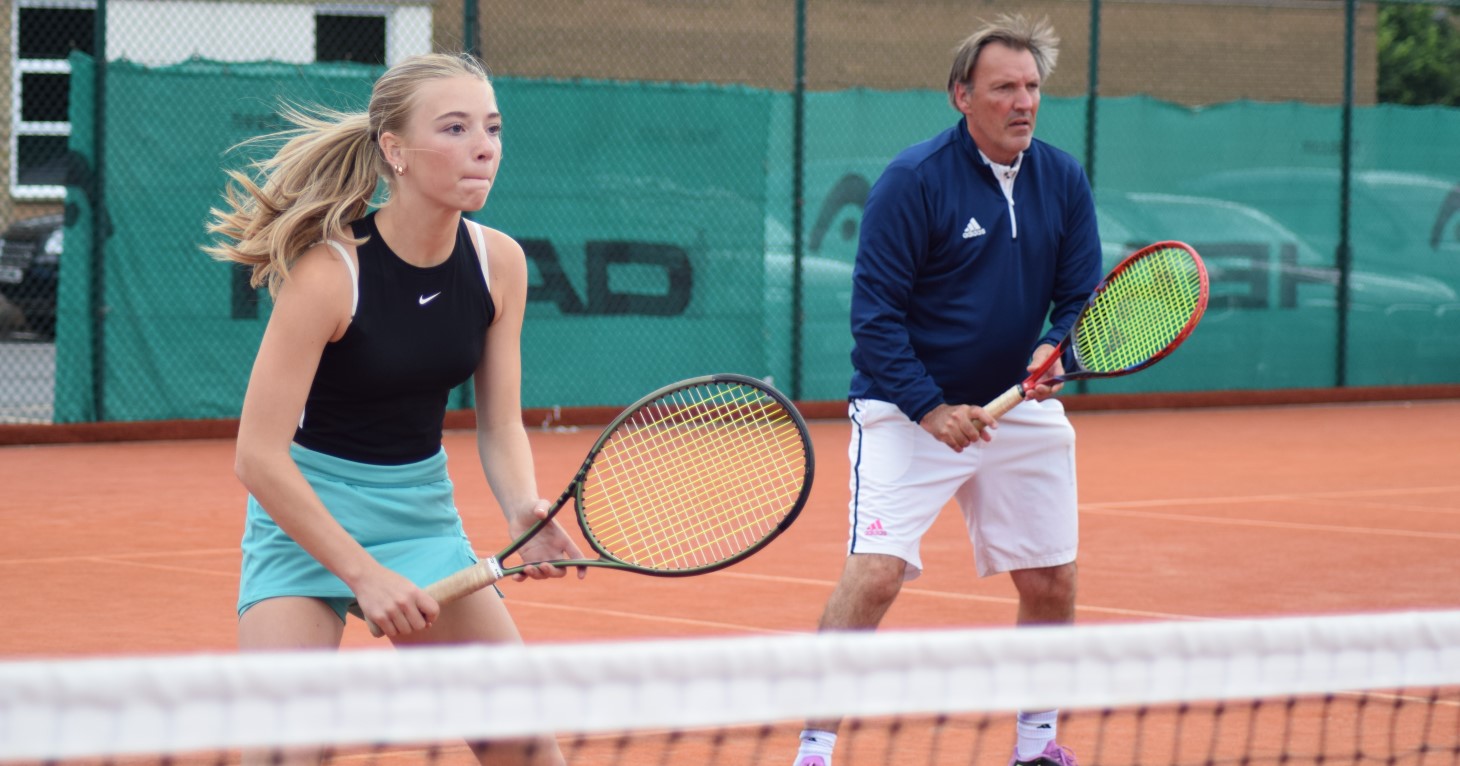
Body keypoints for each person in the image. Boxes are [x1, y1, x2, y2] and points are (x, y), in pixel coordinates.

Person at [206, 52, 585, 766]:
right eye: (454, 128)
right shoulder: (330, 271)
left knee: (528, 752)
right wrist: (362, 573)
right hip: (304, 521)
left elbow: (500, 422)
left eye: (492, 128)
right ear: (395, 151)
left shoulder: (499, 263)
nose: (484, 147)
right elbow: (256, 456)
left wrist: (522, 510)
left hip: (420, 518)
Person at [791, 14, 1101, 766]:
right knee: (875, 576)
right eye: (1004, 89)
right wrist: (929, 407)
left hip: (1017, 407)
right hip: (904, 410)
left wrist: (1056, 349)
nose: (1023, 102)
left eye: (1032, 87)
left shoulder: (1062, 178)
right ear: (962, 96)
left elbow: (1081, 297)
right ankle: (814, 752)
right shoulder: (915, 181)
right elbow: (874, 318)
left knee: (1052, 580)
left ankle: (1036, 748)